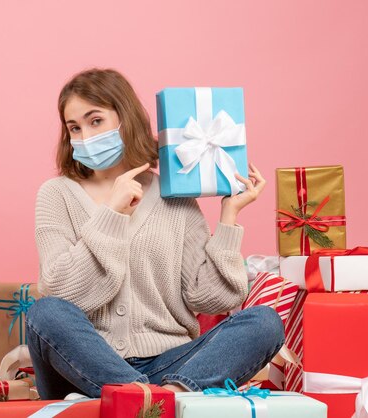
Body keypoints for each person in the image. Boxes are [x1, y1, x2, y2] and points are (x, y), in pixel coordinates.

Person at [27, 68, 284, 400]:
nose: (85, 137)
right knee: (45, 313)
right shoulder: (56, 193)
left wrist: (229, 218)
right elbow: (62, 291)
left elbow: (212, 298)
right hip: (82, 367)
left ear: (125, 118)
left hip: (170, 364)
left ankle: (153, 398)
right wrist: (112, 215)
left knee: (265, 322)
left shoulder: (173, 193)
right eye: (74, 128)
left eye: (95, 121)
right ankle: (156, 400)